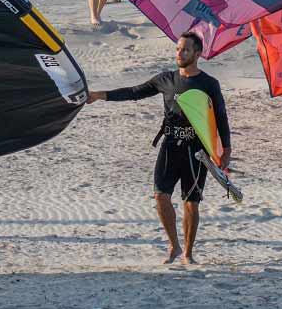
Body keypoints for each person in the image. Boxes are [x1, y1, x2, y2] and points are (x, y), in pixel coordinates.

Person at [87, 32, 231, 265]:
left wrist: (226, 149)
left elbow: (221, 117)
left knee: (191, 202)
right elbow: (134, 92)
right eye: (177, 49)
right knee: (160, 195)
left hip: (197, 148)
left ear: (197, 53)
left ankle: (188, 252)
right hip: (170, 144)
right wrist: (100, 95)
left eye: (185, 50)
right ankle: (174, 246)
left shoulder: (208, 84)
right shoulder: (166, 79)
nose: (179, 53)